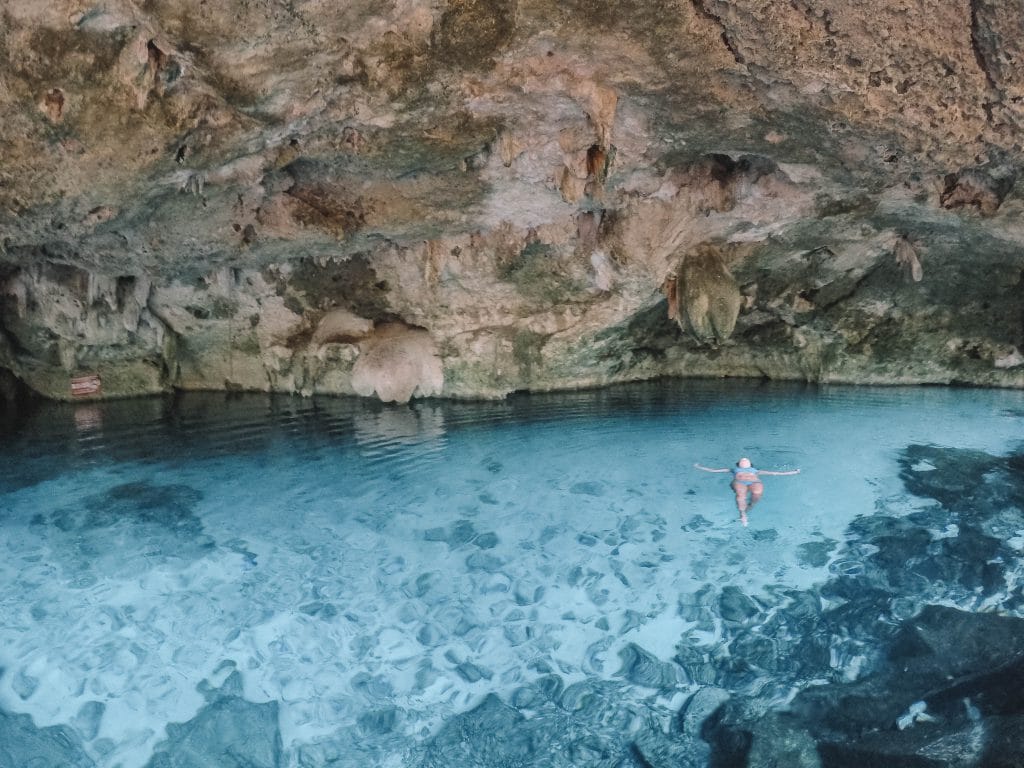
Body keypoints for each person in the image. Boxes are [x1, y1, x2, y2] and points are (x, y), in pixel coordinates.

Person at [693, 457, 801, 526]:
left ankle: (749, 506)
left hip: (754, 482)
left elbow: (775, 473)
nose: (743, 461)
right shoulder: (733, 470)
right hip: (740, 482)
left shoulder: (756, 471)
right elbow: (714, 470)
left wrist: (792, 472)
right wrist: (699, 467)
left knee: (757, 494)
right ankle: (743, 514)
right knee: (741, 495)